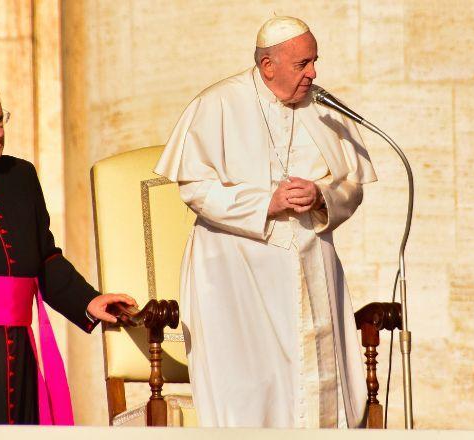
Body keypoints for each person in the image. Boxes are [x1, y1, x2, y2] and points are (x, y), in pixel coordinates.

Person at [155, 16, 377, 428]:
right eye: (302, 64)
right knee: (252, 392)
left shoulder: (322, 107)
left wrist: (321, 195)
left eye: (314, 61)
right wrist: (265, 203)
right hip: (235, 274)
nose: (313, 73)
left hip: (311, 262)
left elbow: (353, 185)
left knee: (314, 392)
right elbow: (196, 189)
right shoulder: (217, 103)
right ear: (267, 65)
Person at [0, 77, 136, 425]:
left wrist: (89, 301)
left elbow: (45, 257)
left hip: (18, 346)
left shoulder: (21, 175)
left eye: (0, 119)